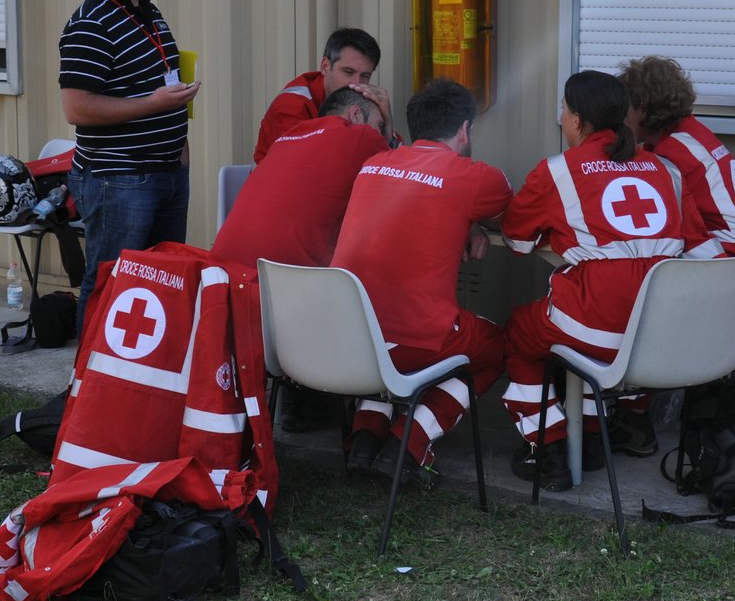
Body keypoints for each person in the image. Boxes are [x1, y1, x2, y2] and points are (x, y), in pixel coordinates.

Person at [499, 70, 709, 490]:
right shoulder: (666, 168)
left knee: (521, 335)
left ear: (577, 120)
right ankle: (594, 437)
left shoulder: (558, 171)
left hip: (594, 319)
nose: (560, 118)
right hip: (659, 330)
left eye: (563, 109)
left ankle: (550, 446)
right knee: (594, 346)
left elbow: (517, 240)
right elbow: (696, 243)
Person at [330, 79, 512, 488]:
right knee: (496, 347)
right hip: (415, 344)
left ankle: (364, 438)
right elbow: (504, 203)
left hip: (352, 340)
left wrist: (465, 219)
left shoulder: (372, 165)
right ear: (465, 131)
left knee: (383, 339)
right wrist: (474, 219)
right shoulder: (472, 176)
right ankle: (409, 445)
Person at [59, 0, 200, 333]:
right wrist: (153, 104)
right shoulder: (92, 22)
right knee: (110, 282)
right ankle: (89, 386)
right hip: (119, 180)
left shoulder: (148, 14)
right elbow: (77, 108)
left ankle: (143, 385)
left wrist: (180, 148)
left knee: (160, 283)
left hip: (168, 174)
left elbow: (159, 86)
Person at [211, 87, 389, 270]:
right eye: (380, 125)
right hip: (278, 284)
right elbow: (402, 178)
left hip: (218, 277)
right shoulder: (361, 135)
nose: (380, 134)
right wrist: (389, 128)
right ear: (356, 114)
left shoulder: (289, 136)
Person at [252, 27, 395, 163]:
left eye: (365, 75)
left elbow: (388, 167)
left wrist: (387, 123)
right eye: (348, 72)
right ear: (325, 67)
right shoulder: (292, 105)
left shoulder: (364, 98)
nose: (356, 83)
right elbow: (315, 165)